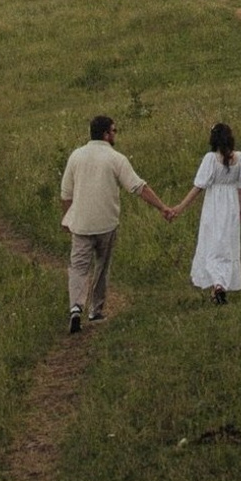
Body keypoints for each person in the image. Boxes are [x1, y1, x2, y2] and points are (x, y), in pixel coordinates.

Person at [60, 114, 171, 333]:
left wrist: (68, 218)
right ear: (106, 134)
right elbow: (138, 187)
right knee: (102, 265)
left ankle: (76, 307)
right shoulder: (116, 158)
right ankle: (96, 310)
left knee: (79, 267)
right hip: (106, 223)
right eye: (114, 131)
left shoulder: (76, 156)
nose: (115, 134)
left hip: (81, 223)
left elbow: (66, 194)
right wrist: (162, 207)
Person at [170, 121, 241, 304]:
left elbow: (198, 186)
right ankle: (220, 284)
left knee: (212, 244)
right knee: (227, 246)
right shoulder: (239, 158)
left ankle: (218, 284)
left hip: (214, 206)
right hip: (231, 207)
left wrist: (179, 207)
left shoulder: (211, 159)